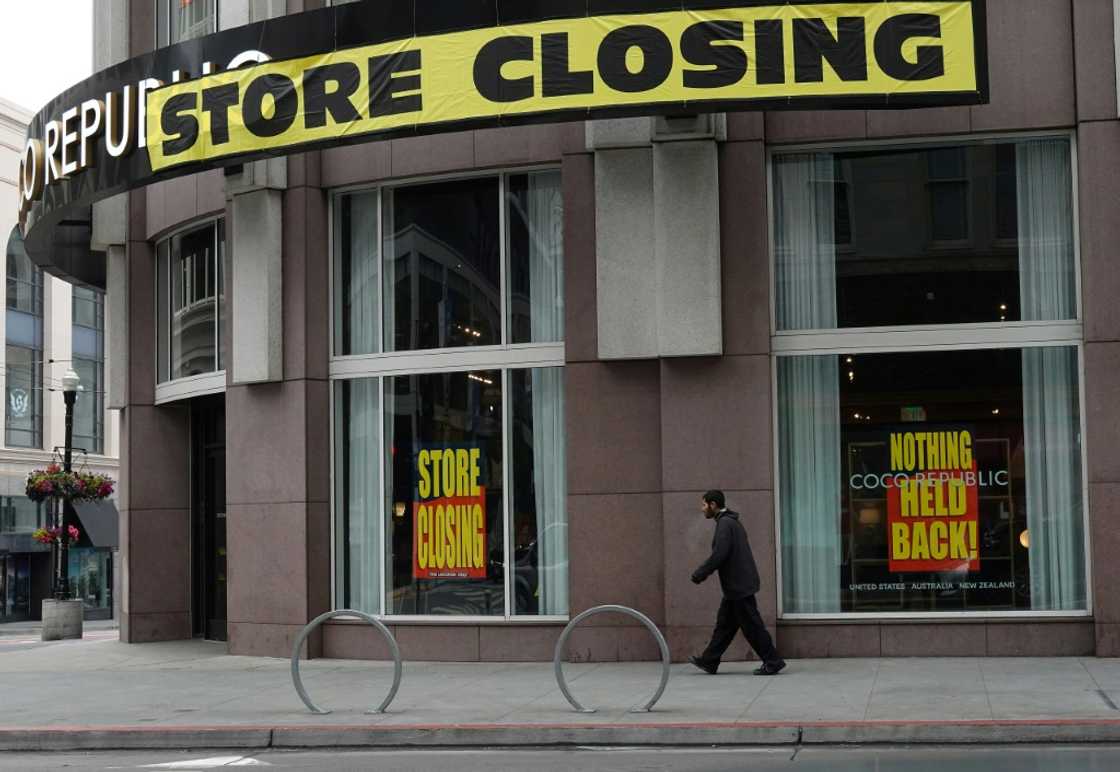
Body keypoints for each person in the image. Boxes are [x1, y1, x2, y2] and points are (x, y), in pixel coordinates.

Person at [689, 490, 786, 676]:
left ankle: (773, 661)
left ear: (713, 505)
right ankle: (709, 661)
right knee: (725, 626)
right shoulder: (730, 522)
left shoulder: (725, 524)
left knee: (752, 627)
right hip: (737, 586)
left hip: (739, 586)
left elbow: (720, 554)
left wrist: (701, 573)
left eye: (703, 505)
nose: (702, 510)